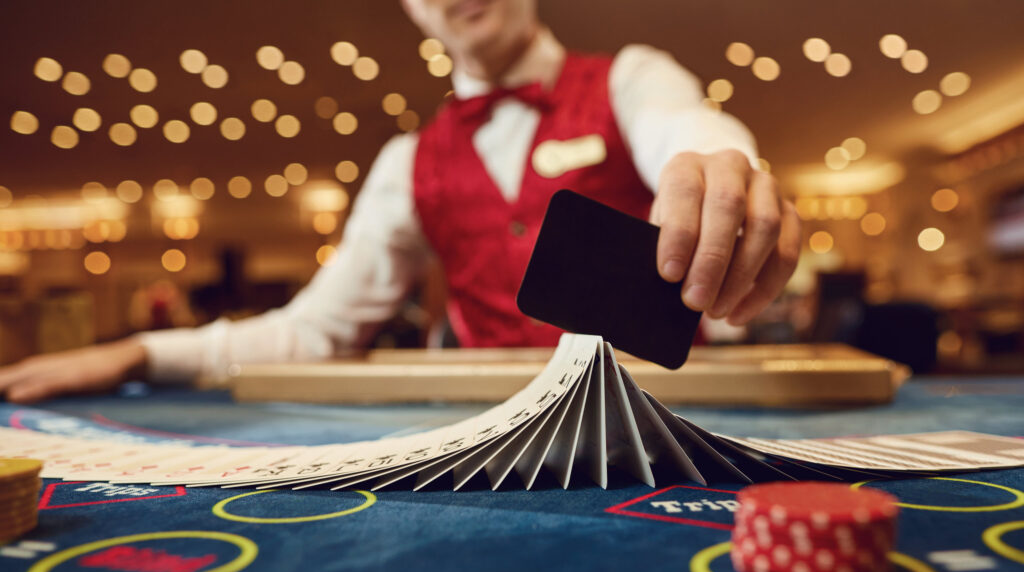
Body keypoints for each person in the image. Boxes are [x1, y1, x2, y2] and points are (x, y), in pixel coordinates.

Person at [0, 0, 799, 403]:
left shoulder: (632, 78)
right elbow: (315, 331)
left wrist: (720, 165)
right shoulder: (405, 162)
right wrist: (145, 353)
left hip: (657, 424)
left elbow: (685, 129)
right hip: (493, 444)